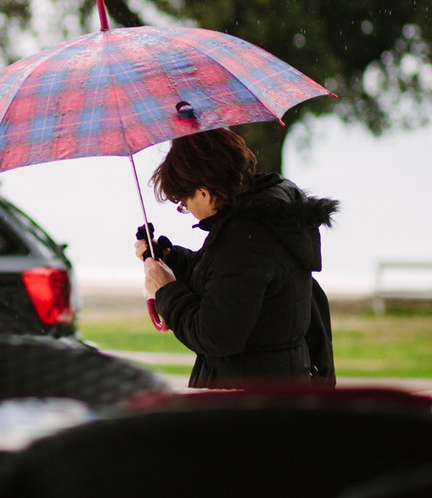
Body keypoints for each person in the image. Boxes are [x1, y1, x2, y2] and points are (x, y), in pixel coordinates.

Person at [136, 128, 338, 390]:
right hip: (280, 385)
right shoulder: (268, 219)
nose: (187, 209)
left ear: (204, 193)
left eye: (184, 202)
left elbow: (215, 335)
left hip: (248, 401)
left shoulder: (243, 239)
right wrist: (174, 260)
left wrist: (165, 290)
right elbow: (229, 284)